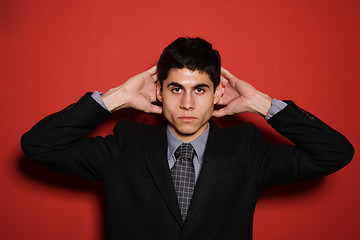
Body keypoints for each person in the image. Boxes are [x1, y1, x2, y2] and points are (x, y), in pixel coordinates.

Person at [21, 37, 354, 240]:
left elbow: (335, 152)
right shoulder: (124, 145)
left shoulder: (247, 149)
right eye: (176, 88)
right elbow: (39, 144)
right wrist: (116, 97)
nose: (188, 104)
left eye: (200, 90)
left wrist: (262, 104)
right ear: (159, 92)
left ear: (216, 93)